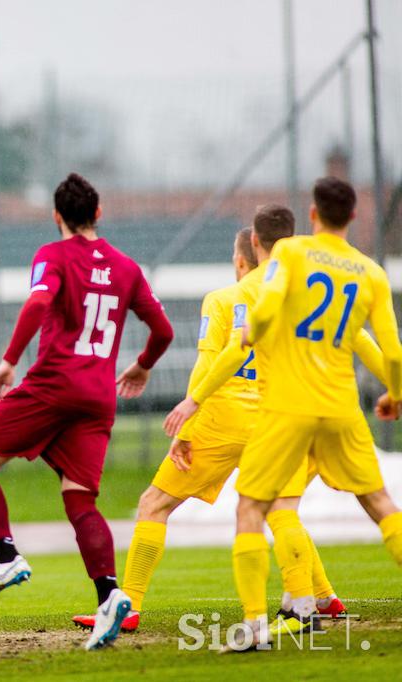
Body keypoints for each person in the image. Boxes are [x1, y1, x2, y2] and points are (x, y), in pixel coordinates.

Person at [109, 209, 375, 638]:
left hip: (222, 418)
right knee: (282, 511)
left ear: (243, 258)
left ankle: (131, 605)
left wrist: (187, 425)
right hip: (279, 416)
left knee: (154, 505)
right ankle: (320, 598)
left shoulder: (225, 298)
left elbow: (210, 363)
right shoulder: (301, 293)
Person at [0, 173, 174, 650]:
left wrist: (10, 361)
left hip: (54, 383)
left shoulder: (51, 255)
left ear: (57, 216)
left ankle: (6, 556)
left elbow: (37, 303)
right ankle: (110, 595)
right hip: (99, 397)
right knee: (80, 501)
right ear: (98, 214)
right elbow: (163, 331)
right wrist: (140, 368)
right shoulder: (127, 268)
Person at [228, 177, 402, 650]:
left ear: (312, 214)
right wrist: (394, 394)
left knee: (251, 508)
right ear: (353, 216)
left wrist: (251, 332)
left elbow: (266, 305)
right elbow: (393, 352)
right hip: (342, 407)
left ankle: (254, 626)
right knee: (381, 504)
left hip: (288, 406)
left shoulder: (291, 253)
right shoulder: (371, 272)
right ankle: (304, 602)